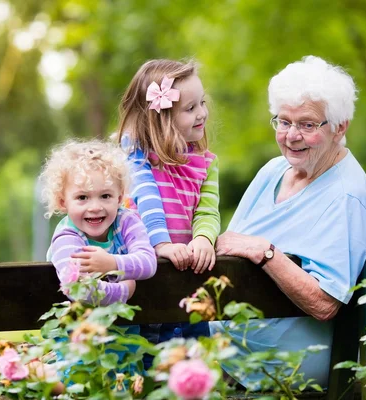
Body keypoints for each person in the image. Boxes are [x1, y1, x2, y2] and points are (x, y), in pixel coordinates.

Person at [210, 55, 366, 390]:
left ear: (340, 126)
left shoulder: (347, 196)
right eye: (283, 121)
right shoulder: (273, 171)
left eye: (307, 124)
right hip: (228, 360)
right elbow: (228, 244)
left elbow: (324, 302)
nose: (291, 136)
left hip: (289, 376)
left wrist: (266, 252)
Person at [115, 59, 220, 368]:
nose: (202, 113)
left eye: (201, 103)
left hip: (185, 284)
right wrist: (160, 244)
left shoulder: (205, 163)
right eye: (190, 109)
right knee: (140, 372)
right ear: (160, 118)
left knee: (192, 371)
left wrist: (203, 238)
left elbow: (207, 210)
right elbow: (145, 196)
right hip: (143, 287)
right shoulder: (134, 155)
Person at [40, 138, 157, 305]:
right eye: (82, 197)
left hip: (127, 328)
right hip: (81, 329)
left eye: (105, 196)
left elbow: (148, 262)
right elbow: (77, 289)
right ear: (62, 202)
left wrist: (111, 263)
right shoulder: (66, 237)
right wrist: (123, 291)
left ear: (119, 197)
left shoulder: (126, 221)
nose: (95, 207)